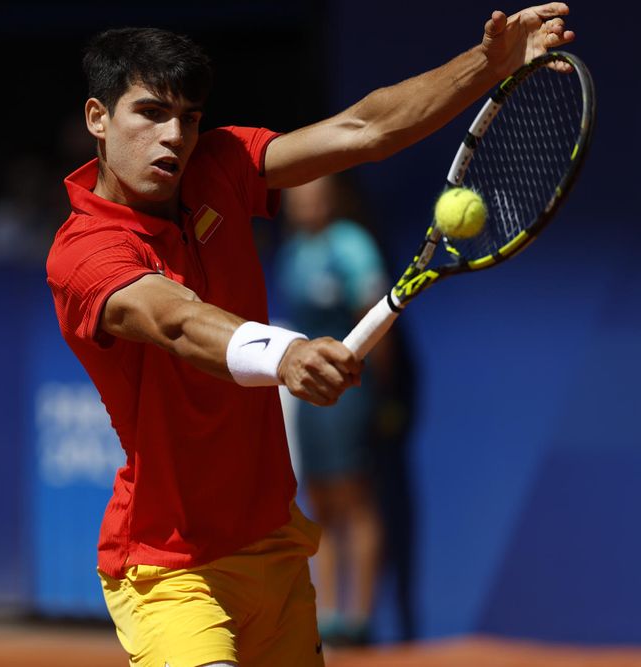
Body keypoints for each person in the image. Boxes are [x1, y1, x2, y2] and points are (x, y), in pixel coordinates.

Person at [45, 7, 574, 666]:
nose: (173, 136)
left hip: (273, 546)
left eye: (189, 118)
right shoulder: (84, 253)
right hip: (171, 568)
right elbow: (176, 318)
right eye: (150, 113)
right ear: (98, 118)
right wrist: (286, 351)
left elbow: (365, 127)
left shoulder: (220, 163)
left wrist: (487, 65)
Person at [276, 174, 403, 646]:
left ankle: (360, 616)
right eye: (297, 196)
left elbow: (376, 325)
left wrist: (382, 394)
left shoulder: (352, 246)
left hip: (350, 393)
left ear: (331, 199)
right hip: (309, 395)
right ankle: (328, 614)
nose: (305, 202)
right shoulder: (291, 253)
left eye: (314, 194)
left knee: (354, 500)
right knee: (321, 502)